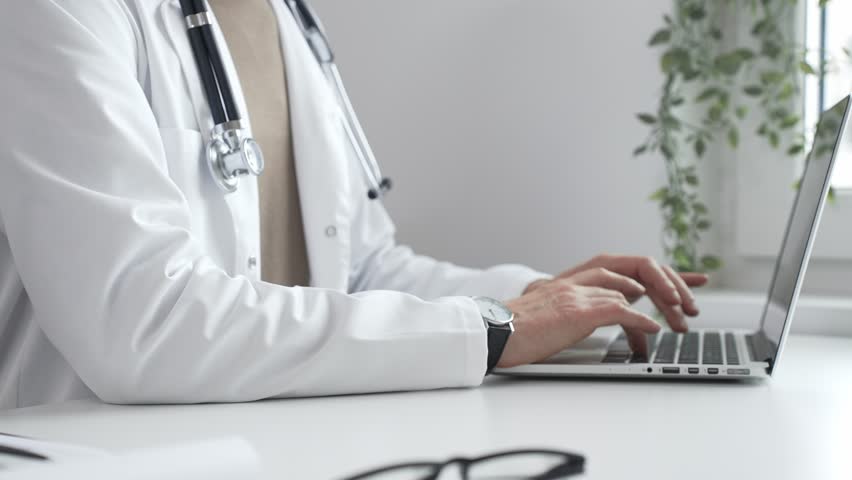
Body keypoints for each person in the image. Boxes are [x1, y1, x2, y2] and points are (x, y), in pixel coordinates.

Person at [0, 0, 707, 409]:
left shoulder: (284, 17)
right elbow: (142, 325)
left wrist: (537, 301)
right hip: (97, 451)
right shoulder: (60, 12)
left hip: (263, 437)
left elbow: (359, 269)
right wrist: (492, 327)